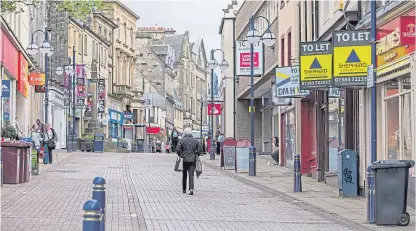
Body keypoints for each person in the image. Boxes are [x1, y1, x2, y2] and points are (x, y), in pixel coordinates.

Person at [176, 127, 202, 195]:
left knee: (184, 174)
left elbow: (178, 149)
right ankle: (191, 189)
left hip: (184, 159)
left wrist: (180, 154)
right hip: (192, 160)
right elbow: (200, 149)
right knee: (191, 174)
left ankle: (184, 189)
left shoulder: (182, 140)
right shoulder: (195, 140)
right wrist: (196, 154)